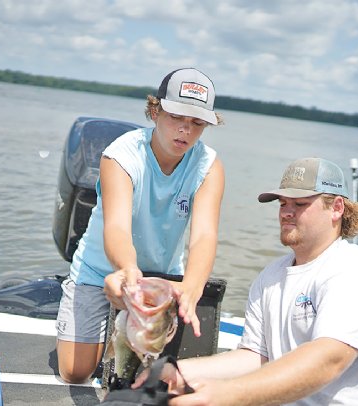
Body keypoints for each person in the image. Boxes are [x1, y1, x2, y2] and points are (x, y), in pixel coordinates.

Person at [137, 157, 358, 405]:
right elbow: (256, 357)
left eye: (300, 204)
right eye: (282, 203)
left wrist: (228, 395)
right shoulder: (270, 277)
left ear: (336, 208)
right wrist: (176, 370)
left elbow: (328, 361)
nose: (287, 212)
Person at [55, 68, 225, 384]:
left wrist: (192, 286)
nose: (185, 130)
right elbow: (117, 227)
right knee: (75, 373)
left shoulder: (209, 166)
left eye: (197, 123)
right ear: (155, 110)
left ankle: (124, 330)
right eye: (177, 117)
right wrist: (128, 271)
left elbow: (204, 235)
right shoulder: (120, 155)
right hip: (103, 270)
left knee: (159, 378)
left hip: (163, 276)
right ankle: (90, 318)